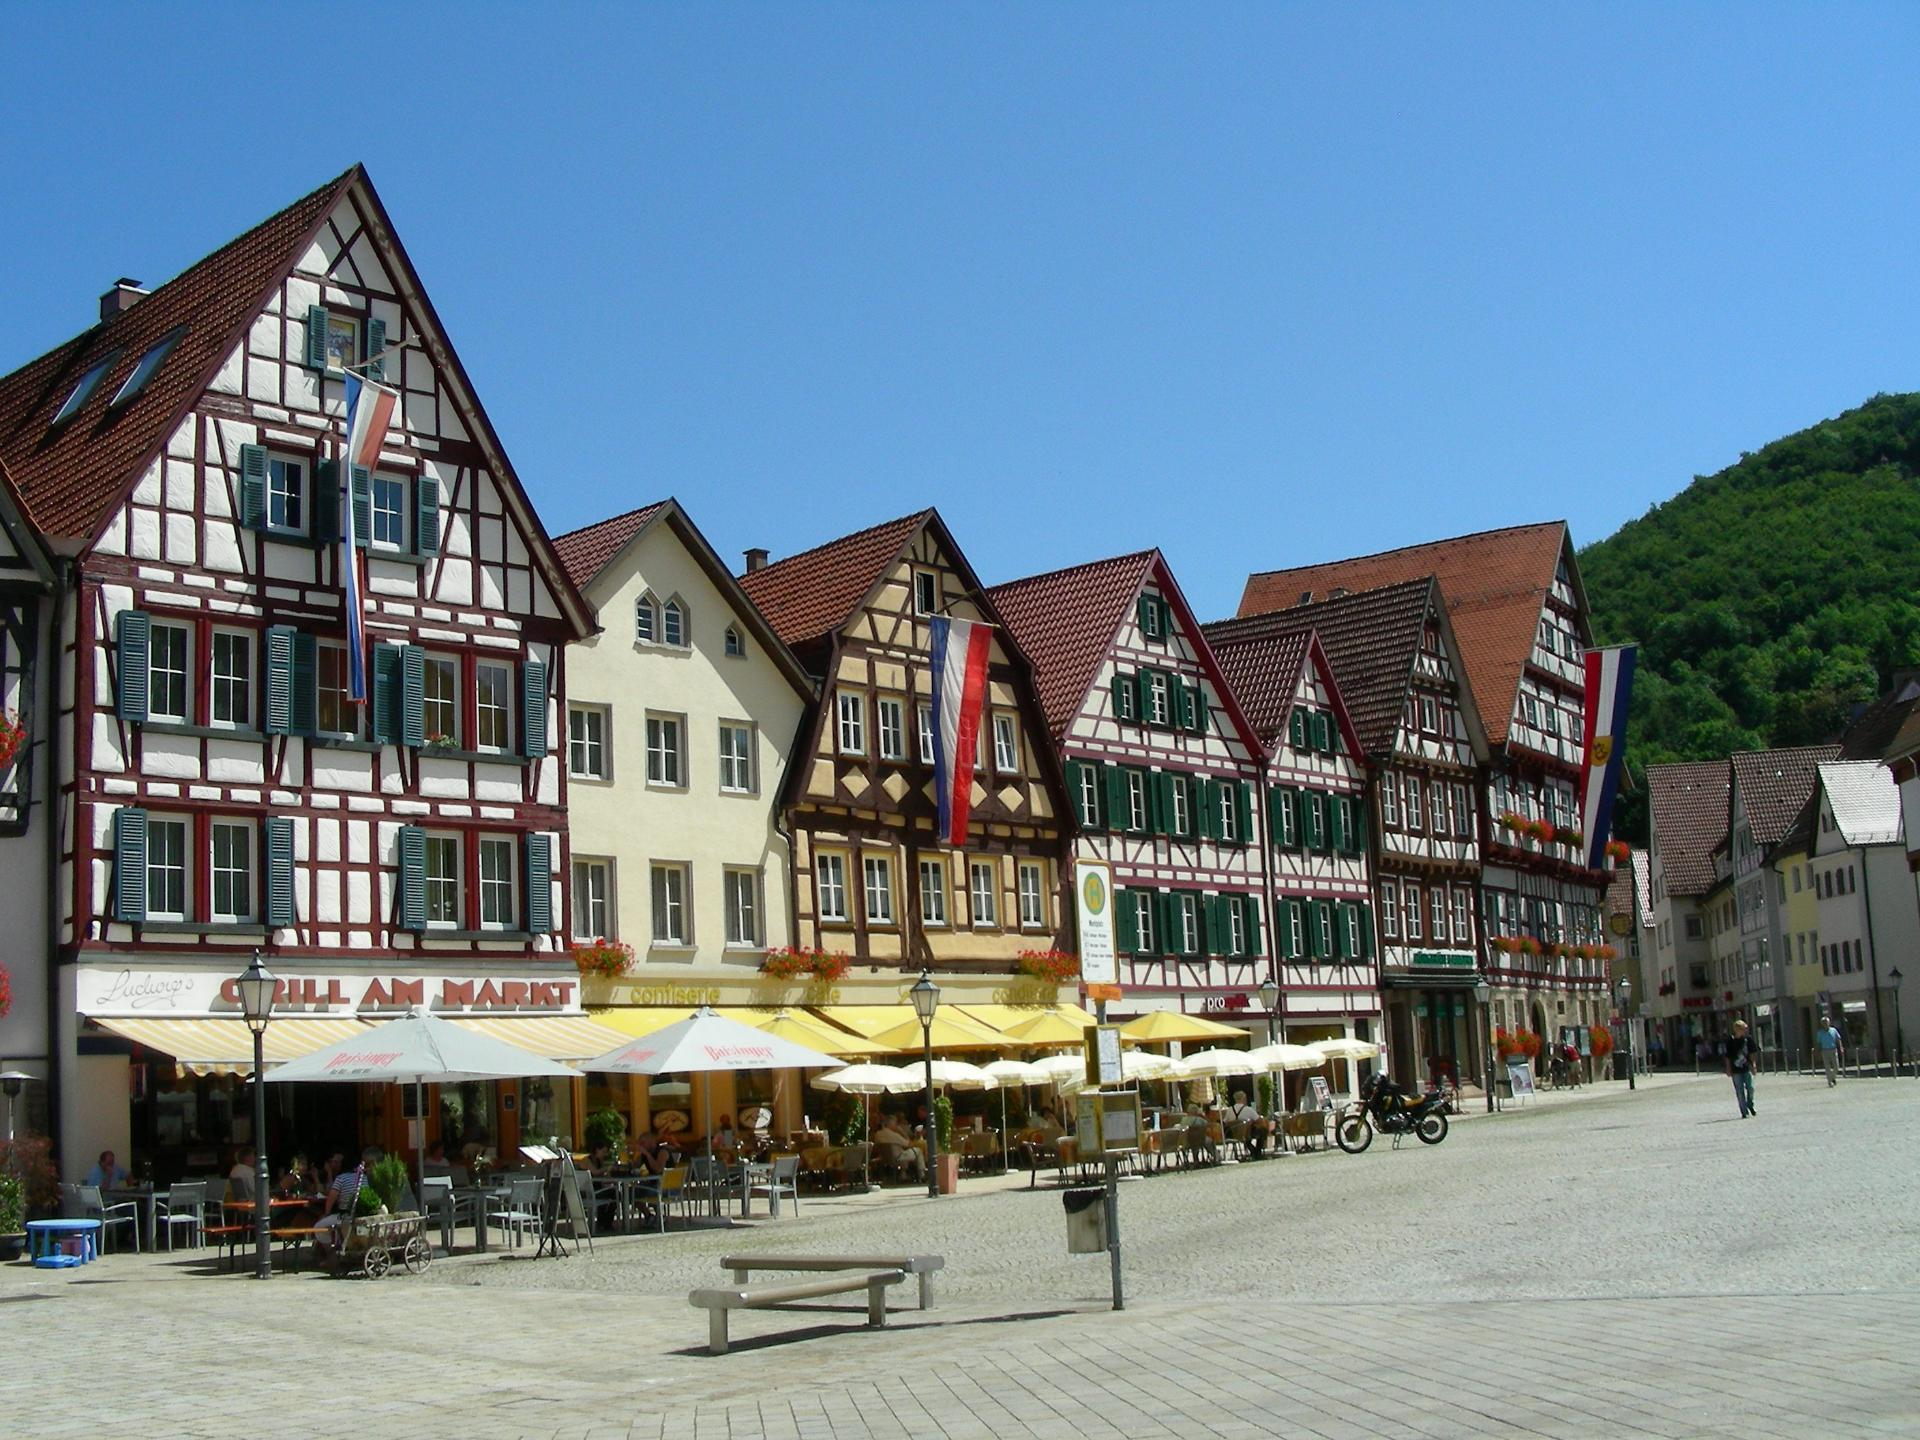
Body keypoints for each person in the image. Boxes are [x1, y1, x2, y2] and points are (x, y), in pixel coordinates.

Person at [314, 1147, 380, 1259]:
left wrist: (326, 1213)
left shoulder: (341, 1178)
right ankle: (340, 1243)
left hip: (345, 1215)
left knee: (318, 1227)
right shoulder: (363, 1177)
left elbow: (331, 1197)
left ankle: (330, 1254)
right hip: (360, 1214)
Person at [871, 1116, 924, 1180]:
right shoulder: (893, 1135)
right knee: (918, 1151)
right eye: (896, 1124)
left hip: (884, 1158)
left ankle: (904, 1174)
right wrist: (902, 1131)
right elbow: (909, 1144)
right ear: (892, 1124)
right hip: (898, 1158)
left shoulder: (878, 1134)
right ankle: (921, 1174)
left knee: (908, 1152)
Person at [1726, 1019, 1758, 1118]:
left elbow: (1752, 1053)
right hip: (1736, 1070)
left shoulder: (1748, 1039)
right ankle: (1744, 1112)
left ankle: (1750, 1104)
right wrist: (1728, 1069)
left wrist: (1753, 1065)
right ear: (1737, 1030)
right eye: (1743, 1029)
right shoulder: (1730, 1041)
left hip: (1747, 1067)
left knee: (1751, 1088)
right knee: (1739, 1091)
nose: (1745, 1031)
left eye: (1745, 1029)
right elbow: (1728, 1056)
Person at [1225, 1090, 1267, 1159]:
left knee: (1248, 1134)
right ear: (1244, 1098)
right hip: (1246, 1133)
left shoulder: (1229, 1110)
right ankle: (1257, 1152)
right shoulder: (1248, 1109)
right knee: (1263, 1130)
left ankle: (1254, 1151)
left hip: (1232, 1134)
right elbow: (1259, 1120)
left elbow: (1225, 1122)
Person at [1815, 1015, 1843, 1087]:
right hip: (1825, 1050)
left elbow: (1838, 1039)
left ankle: (1832, 1077)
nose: (1825, 1024)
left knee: (1836, 1067)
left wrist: (1841, 1048)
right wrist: (1817, 1052)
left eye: (1826, 1022)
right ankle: (1829, 1082)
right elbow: (1818, 1043)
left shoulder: (1833, 1030)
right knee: (1827, 1067)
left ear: (1829, 1023)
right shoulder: (1820, 1033)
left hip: (1833, 1049)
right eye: (1824, 1023)